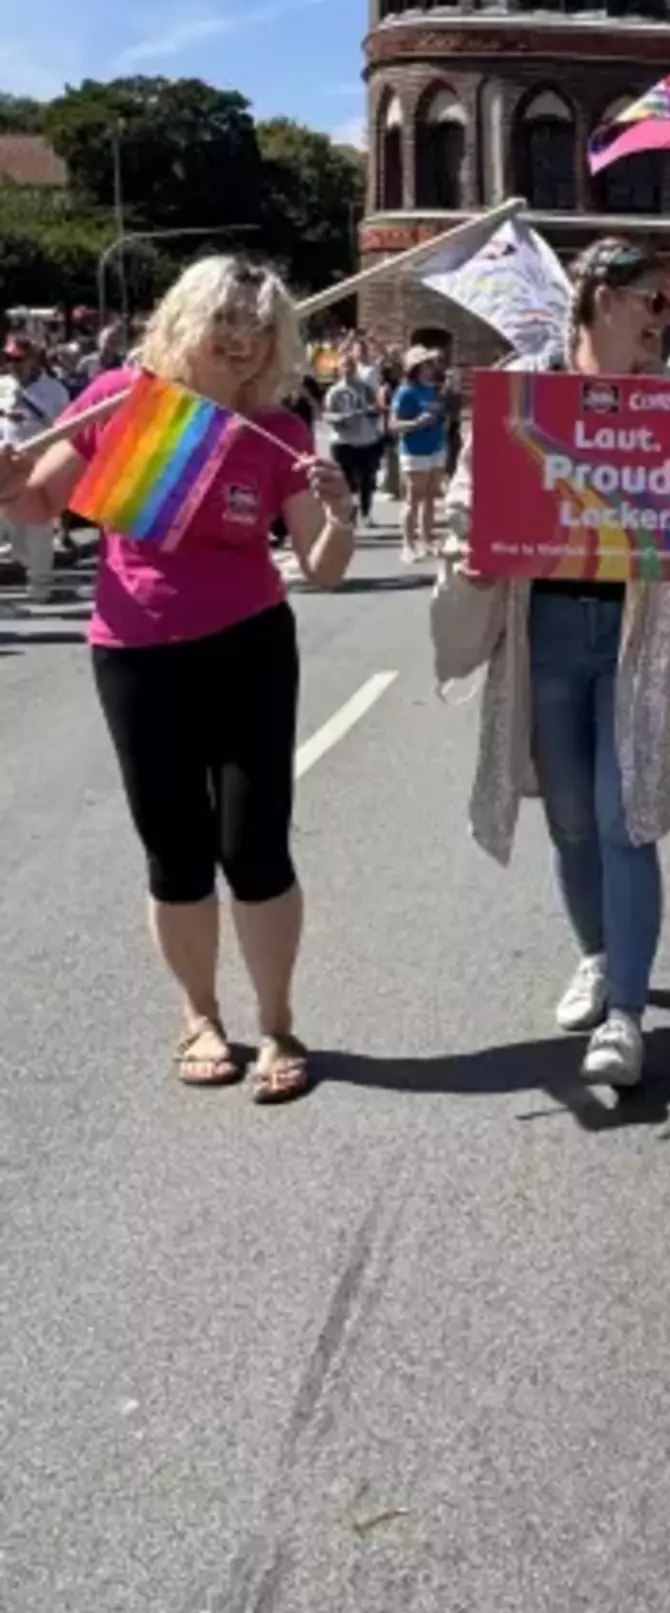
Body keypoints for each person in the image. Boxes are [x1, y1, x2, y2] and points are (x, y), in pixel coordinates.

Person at [0, 258, 356, 1098]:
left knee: (254, 847)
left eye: (256, 327)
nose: (239, 340)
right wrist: (9, 485)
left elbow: (326, 567)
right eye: (224, 321)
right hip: (133, 652)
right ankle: (200, 1015)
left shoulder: (277, 431)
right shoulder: (122, 398)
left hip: (250, 648)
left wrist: (336, 509)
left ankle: (276, 1023)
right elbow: (41, 507)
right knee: (175, 849)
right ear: (186, 319)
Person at [433, 240, 670, 1089]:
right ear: (601, 297)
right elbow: (474, 495)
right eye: (652, 301)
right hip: (544, 624)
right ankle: (594, 953)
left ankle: (626, 1010)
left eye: (669, 306)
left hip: (633, 629)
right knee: (573, 818)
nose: (665, 320)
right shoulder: (524, 393)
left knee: (628, 819)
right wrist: (471, 546)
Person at [0, 334, 72, 600]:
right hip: (7, 465)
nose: (12, 365)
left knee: (39, 525)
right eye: (8, 358)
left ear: (32, 359)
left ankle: (40, 582)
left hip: (39, 463)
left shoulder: (55, 390)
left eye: (18, 359)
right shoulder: (2, 386)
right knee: (12, 530)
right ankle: (26, 561)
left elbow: (66, 428)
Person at [390, 346, 449, 562]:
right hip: (414, 451)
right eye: (424, 364)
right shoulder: (405, 391)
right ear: (414, 368)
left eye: (430, 364)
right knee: (413, 498)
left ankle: (427, 539)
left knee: (431, 497)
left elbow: (440, 415)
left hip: (436, 447)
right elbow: (393, 425)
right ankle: (407, 544)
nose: (429, 368)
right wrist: (415, 423)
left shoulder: (433, 390)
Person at [322, 344, 385, 524]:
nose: (348, 370)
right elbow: (327, 414)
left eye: (351, 367)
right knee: (347, 481)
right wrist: (339, 418)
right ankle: (350, 514)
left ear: (356, 368)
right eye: (344, 367)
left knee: (367, 479)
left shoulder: (365, 388)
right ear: (339, 369)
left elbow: (377, 408)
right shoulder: (334, 391)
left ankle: (366, 512)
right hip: (344, 442)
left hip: (366, 440)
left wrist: (372, 410)